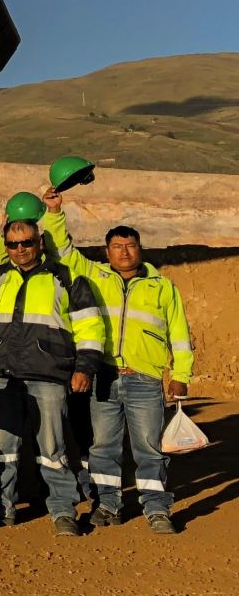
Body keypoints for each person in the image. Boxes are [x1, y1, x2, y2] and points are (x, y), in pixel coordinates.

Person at [0, 216, 105, 536]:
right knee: (2, 449)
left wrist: (84, 367)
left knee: (53, 449)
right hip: (2, 377)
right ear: (5, 247)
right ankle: (0, 508)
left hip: (48, 377)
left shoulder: (66, 278)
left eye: (27, 243)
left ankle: (62, 510)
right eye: (13, 244)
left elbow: (90, 327)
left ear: (40, 243)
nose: (20, 249)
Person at [46, 211, 194, 535]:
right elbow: (63, 250)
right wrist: (56, 213)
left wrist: (181, 374)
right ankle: (108, 506)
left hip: (145, 379)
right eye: (117, 246)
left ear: (140, 249)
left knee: (149, 447)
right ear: (106, 250)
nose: (124, 252)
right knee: (103, 447)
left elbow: (180, 335)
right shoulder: (93, 275)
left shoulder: (162, 287)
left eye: (130, 245)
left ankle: (157, 509)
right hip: (104, 376)